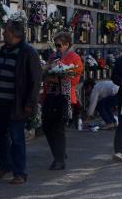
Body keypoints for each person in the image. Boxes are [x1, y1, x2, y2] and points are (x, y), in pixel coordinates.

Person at [0, 20, 42, 185]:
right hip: (0, 102)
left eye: (5, 32)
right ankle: (5, 165)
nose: (2, 34)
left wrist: (29, 102)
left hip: (17, 104)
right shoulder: (3, 50)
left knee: (16, 139)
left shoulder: (28, 53)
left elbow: (35, 81)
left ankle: (20, 173)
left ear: (14, 34)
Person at [42, 31, 83, 170]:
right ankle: (59, 153)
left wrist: (57, 78)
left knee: (58, 128)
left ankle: (59, 160)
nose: (57, 48)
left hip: (64, 97)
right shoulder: (54, 56)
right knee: (47, 126)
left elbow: (75, 79)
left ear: (67, 44)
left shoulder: (74, 58)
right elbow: (46, 71)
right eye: (55, 45)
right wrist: (47, 72)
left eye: (59, 45)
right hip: (50, 95)